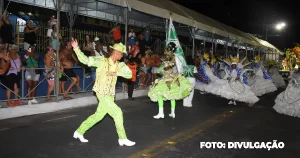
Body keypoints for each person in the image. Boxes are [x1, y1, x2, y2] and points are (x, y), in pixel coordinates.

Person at [71, 38, 135, 146]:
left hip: (110, 95)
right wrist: (76, 48)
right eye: (121, 54)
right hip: (101, 93)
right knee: (118, 112)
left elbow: (129, 74)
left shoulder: (120, 65)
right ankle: (122, 138)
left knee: (98, 116)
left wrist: (116, 73)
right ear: (116, 53)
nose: (122, 56)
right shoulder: (102, 61)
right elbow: (85, 60)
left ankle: (79, 131)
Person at [148, 42, 192, 119]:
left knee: (161, 94)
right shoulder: (170, 57)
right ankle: (171, 113)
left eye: (168, 49)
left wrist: (163, 67)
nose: (166, 50)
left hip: (168, 78)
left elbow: (167, 68)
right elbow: (164, 67)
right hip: (168, 77)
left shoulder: (172, 58)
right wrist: (162, 67)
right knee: (171, 96)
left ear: (170, 49)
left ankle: (163, 113)